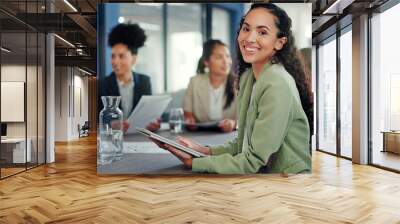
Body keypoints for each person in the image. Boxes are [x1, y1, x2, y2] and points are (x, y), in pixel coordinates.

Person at [152, 3, 313, 174]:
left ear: (279, 43)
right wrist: (204, 151)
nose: (250, 38)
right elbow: (242, 144)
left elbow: (253, 161)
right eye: (246, 29)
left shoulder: (277, 83)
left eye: (262, 32)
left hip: (288, 182)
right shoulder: (248, 78)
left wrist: (195, 163)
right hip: (264, 177)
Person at [98, 23, 160, 132]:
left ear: (134, 59)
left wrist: (152, 122)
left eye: (121, 56)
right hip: (112, 139)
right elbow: (96, 118)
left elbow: (147, 114)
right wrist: (111, 124)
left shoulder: (144, 82)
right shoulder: (102, 84)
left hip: (139, 140)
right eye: (113, 56)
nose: (115, 61)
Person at [183, 39, 238, 133]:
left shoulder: (239, 83)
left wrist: (234, 124)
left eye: (228, 56)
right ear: (206, 62)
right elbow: (188, 114)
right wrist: (189, 121)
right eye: (219, 57)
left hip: (230, 137)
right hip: (199, 136)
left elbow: (249, 118)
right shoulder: (194, 82)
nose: (226, 61)